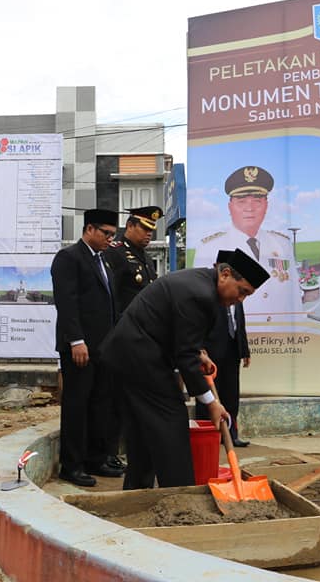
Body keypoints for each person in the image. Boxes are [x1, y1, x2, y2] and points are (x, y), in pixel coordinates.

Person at [101, 248, 268, 490]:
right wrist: (211, 402)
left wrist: (199, 352)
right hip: (139, 357)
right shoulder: (200, 294)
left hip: (130, 356)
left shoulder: (201, 283)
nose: (240, 300)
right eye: (242, 291)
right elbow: (185, 356)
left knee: (143, 428)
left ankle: (137, 492)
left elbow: (180, 333)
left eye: (247, 296)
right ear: (226, 274)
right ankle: (181, 495)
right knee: (171, 421)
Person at [50, 208, 124, 487]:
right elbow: (67, 304)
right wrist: (76, 341)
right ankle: (72, 465)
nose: (109, 239)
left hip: (104, 347)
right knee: (77, 406)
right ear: (89, 229)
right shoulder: (69, 258)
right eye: (105, 233)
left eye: (112, 235)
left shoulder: (104, 261)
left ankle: (96, 458)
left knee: (100, 404)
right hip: (79, 348)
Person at [195, 165, 302, 320]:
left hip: (280, 340)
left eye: (257, 201)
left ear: (266, 205)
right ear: (230, 207)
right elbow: (201, 305)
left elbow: (294, 300)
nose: (249, 208)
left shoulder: (282, 244)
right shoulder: (209, 248)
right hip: (233, 340)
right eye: (241, 201)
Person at [102, 205, 161, 470]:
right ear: (131, 226)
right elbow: (110, 298)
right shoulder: (115, 254)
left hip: (143, 339)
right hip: (121, 337)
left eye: (152, 230)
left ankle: (121, 451)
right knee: (113, 399)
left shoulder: (146, 258)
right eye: (145, 229)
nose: (149, 235)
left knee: (129, 399)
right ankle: (107, 453)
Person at [195, 251, 252, 447]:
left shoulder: (237, 295)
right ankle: (209, 434)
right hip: (210, 351)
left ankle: (232, 433)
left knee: (231, 393)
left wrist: (244, 349)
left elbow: (239, 323)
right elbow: (198, 326)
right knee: (209, 392)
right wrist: (200, 349)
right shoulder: (209, 294)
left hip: (231, 349)